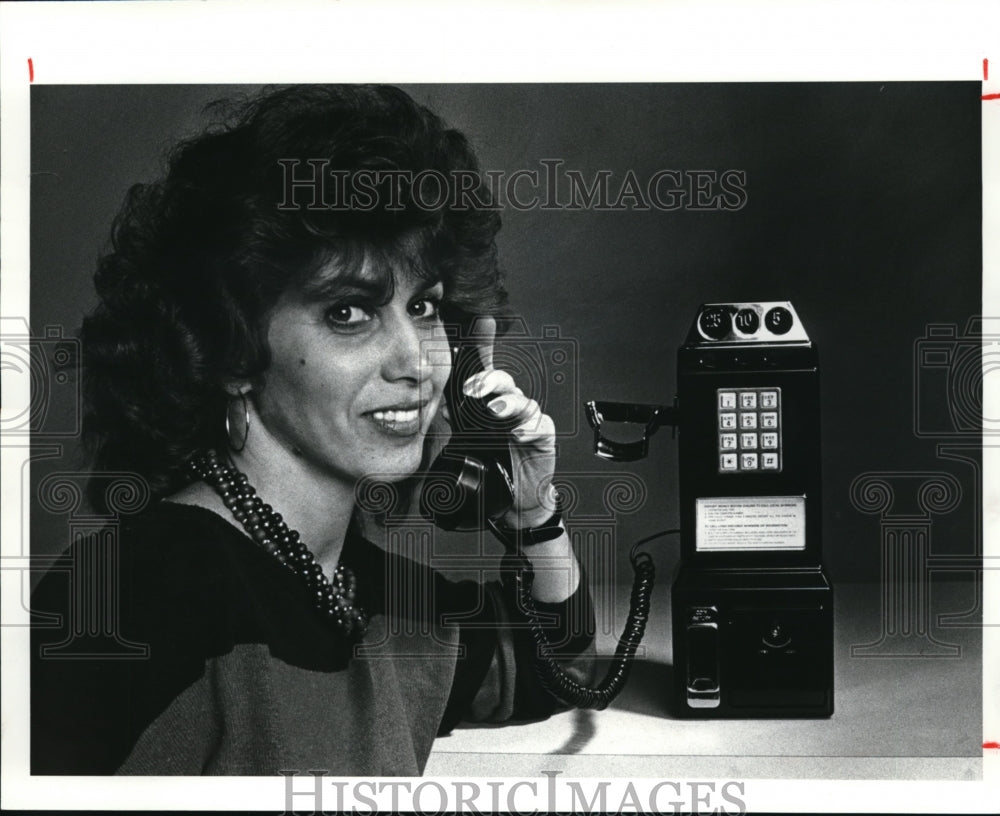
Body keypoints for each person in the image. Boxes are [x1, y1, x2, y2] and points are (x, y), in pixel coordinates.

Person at [30, 85, 595, 775]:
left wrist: (532, 509)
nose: (417, 361)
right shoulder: (125, 596)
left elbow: (558, 663)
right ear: (231, 347)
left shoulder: (372, 595)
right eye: (349, 314)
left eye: (423, 307)